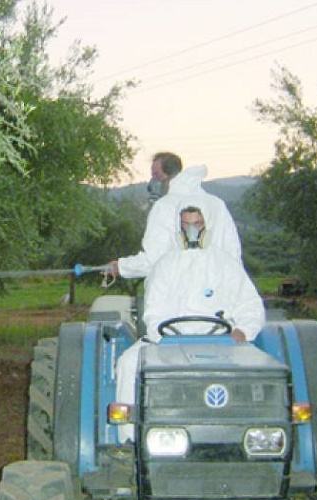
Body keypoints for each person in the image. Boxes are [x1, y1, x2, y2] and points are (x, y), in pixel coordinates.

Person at [114, 205, 265, 442]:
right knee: (127, 363)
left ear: (207, 226)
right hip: (170, 342)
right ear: (179, 229)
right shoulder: (165, 265)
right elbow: (153, 312)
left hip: (221, 343)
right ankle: (128, 441)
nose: (192, 230)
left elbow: (251, 306)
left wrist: (242, 332)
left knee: (264, 369)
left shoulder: (226, 265)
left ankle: (257, 437)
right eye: (186, 224)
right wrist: (163, 337)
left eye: (197, 224)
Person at [108, 152, 242, 279]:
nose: (152, 181)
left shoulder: (165, 206)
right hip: (219, 292)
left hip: (180, 295)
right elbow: (233, 254)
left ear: (169, 176)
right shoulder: (216, 204)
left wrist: (121, 266)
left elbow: (154, 260)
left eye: (156, 175)